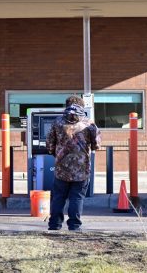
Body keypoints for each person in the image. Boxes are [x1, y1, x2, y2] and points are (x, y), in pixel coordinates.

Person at [46, 95, 101, 231]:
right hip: (81, 169)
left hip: (61, 168)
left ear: (66, 105)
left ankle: (54, 225)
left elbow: (49, 145)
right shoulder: (89, 123)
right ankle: (74, 226)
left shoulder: (57, 122)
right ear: (82, 106)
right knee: (77, 198)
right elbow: (97, 145)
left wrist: (56, 154)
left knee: (58, 197)